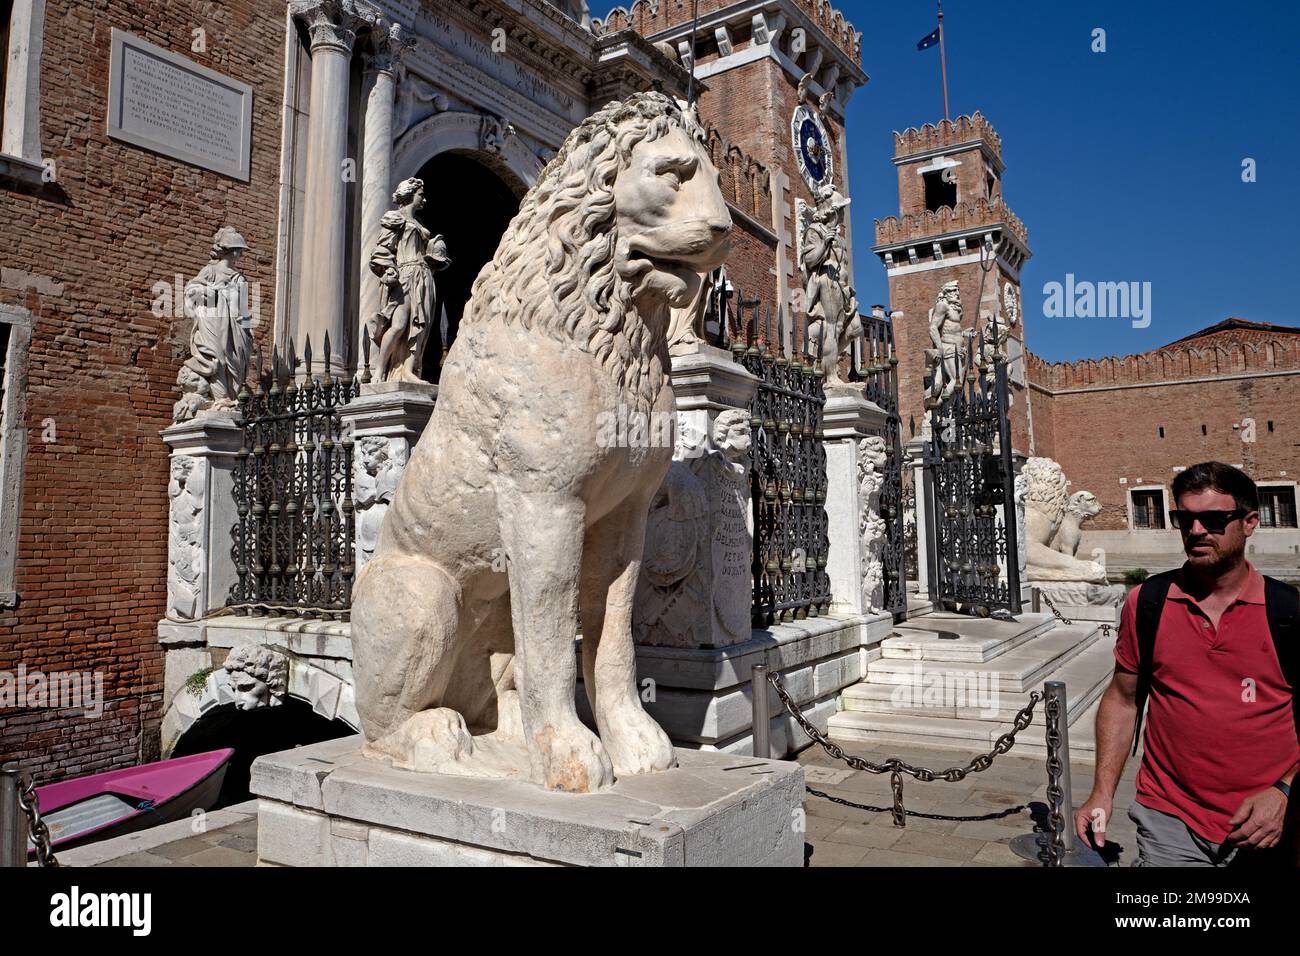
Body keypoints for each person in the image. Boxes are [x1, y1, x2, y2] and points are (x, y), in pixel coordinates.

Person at [1077, 461, 1299, 866]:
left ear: (1250, 522)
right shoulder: (1148, 602)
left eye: (1214, 520)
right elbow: (1123, 699)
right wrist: (1102, 791)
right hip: (1170, 818)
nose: (1197, 531)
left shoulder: (1288, 612)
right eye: (1185, 519)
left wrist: (1284, 791)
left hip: (1266, 824)